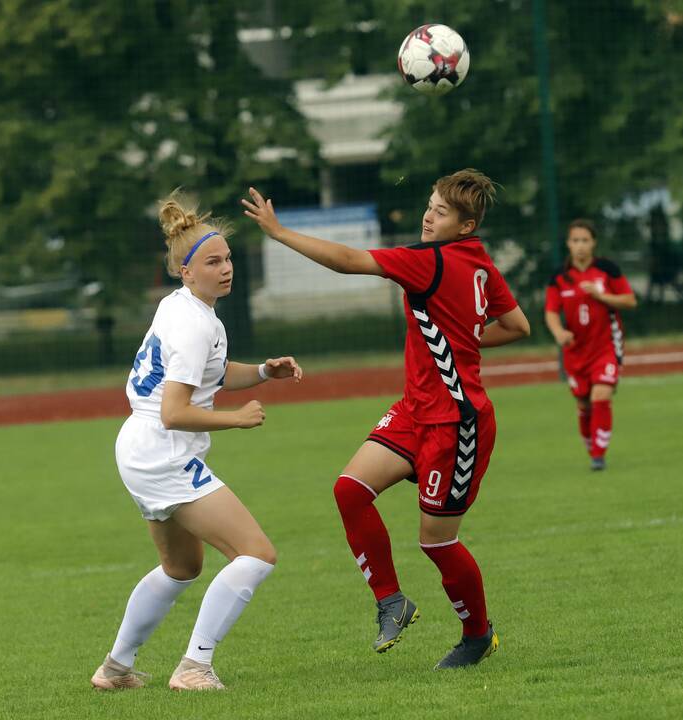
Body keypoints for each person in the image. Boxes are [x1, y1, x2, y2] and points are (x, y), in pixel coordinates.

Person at [242, 169, 530, 669]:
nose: (428, 214)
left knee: (436, 543)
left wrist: (280, 232)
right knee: (349, 490)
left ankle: (478, 635)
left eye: (440, 211)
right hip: (415, 411)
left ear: (464, 226)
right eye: (430, 203)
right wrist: (463, 338)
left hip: (456, 425)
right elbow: (516, 325)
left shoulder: (430, 260)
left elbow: (350, 261)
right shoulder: (478, 259)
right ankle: (392, 601)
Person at [91, 190, 302, 691]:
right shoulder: (191, 323)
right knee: (256, 554)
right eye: (212, 261)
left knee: (181, 566)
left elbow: (212, 373)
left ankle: (116, 668)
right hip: (164, 451)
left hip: (138, 447)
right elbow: (175, 411)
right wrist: (237, 419)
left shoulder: (186, 307)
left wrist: (264, 372)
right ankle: (194, 667)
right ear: (184, 271)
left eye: (228, 257)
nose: (225, 268)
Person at [545, 219, 636, 471]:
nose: (580, 246)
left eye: (585, 240)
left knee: (601, 394)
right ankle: (592, 446)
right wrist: (559, 332)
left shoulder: (607, 269)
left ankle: (598, 456)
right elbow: (551, 311)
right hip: (575, 351)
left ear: (594, 242)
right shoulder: (559, 277)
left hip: (606, 346)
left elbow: (629, 300)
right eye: (575, 240)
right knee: (583, 404)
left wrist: (601, 295)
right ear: (568, 244)